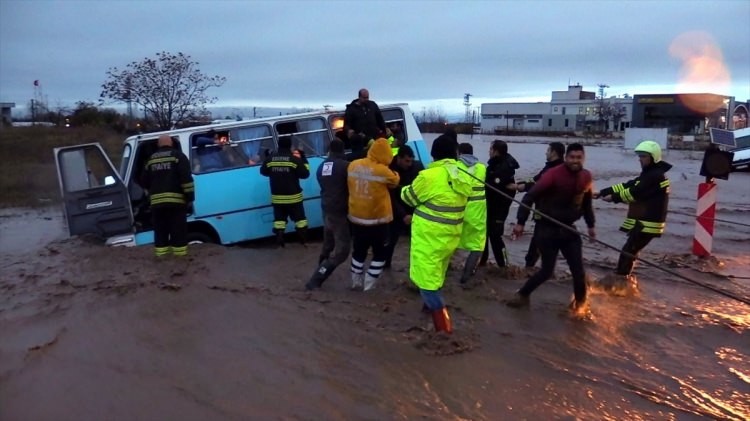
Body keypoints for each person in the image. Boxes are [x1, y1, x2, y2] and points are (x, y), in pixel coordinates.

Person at [507, 143, 596, 312]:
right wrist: (520, 223)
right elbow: (528, 197)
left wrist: (591, 225)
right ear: (566, 157)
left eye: (579, 157)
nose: (575, 161)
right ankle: (522, 295)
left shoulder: (586, 176)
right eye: (572, 157)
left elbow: (587, 203)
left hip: (569, 230)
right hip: (546, 230)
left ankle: (580, 308)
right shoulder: (553, 175)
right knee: (547, 271)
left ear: (583, 158)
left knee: (579, 272)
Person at [401, 135, 473, 333]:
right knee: (437, 275)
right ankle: (428, 311)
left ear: (434, 154)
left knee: (426, 283)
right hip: (450, 236)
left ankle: (444, 330)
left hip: (429, 238)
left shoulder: (429, 176)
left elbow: (408, 197)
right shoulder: (463, 174)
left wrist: (406, 187)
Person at [595, 140, 671, 284]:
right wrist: (603, 192)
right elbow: (629, 185)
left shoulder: (655, 176)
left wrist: (613, 198)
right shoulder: (650, 174)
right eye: (639, 156)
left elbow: (634, 192)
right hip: (644, 222)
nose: (640, 159)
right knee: (630, 251)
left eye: (643, 156)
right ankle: (622, 280)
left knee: (628, 251)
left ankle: (620, 282)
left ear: (653, 157)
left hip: (647, 224)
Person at [347, 137, 400, 291]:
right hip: (378, 220)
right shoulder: (383, 170)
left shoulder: (353, 165)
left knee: (358, 251)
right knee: (381, 253)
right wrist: (395, 172)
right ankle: (369, 285)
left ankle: (355, 281)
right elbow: (395, 181)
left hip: (357, 219)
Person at [305, 139, 351, 290]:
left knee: (328, 245)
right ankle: (317, 279)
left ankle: (319, 268)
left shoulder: (322, 166)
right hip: (339, 212)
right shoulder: (345, 166)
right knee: (342, 251)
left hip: (327, 210)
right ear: (342, 150)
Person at [139, 134, 195, 257]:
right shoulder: (178, 157)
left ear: (159, 144)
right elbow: (187, 181)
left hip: (157, 205)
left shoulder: (151, 159)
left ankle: (162, 259)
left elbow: (143, 181)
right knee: (178, 232)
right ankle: (180, 259)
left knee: (160, 232)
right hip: (177, 204)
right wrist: (190, 198)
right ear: (171, 143)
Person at [516, 141, 565, 271]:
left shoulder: (554, 171)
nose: (546, 152)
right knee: (543, 247)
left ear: (554, 152)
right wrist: (520, 184)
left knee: (538, 248)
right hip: (547, 217)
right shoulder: (549, 168)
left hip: (549, 216)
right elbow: (534, 180)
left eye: (548, 150)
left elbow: (538, 186)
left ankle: (531, 273)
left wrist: (524, 187)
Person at [260, 135, 310, 247]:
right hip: (294, 197)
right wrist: (303, 157)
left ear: (278, 145)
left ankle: (280, 237)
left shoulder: (271, 159)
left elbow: (263, 172)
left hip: (277, 197)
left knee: (279, 221)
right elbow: (305, 174)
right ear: (290, 146)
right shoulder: (294, 160)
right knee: (300, 220)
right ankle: (303, 240)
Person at [479, 140, 519, 268]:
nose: (488, 151)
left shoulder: (503, 168)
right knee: (484, 235)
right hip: (490, 207)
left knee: (496, 238)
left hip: (498, 209)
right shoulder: (496, 165)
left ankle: (504, 265)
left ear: (495, 151)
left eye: (490, 149)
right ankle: (482, 261)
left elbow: (492, 186)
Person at [383, 145, 424, 269]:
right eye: (407, 161)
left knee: (418, 242)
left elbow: (421, 191)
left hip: (413, 210)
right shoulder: (389, 170)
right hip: (396, 209)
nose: (409, 164)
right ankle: (386, 264)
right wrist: (403, 215)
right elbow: (390, 196)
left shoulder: (417, 167)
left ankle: (416, 268)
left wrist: (414, 212)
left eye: (411, 161)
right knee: (391, 240)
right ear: (399, 158)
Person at [455, 142, 487, 284]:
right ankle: (466, 276)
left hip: (459, 207)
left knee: (451, 239)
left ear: (459, 153)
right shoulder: (482, 167)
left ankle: (443, 270)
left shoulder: (456, 167)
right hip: (477, 209)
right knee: (477, 244)